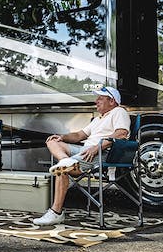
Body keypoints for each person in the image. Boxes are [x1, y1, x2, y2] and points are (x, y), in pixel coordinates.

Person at [33, 86, 130, 226]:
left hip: (102, 153)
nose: (96, 101)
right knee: (53, 141)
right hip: (85, 151)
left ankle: (56, 213)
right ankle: (65, 161)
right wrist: (62, 137)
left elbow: (121, 134)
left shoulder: (119, 112)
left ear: (112, 101)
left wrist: (96, 148)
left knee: (62, 170)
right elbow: (79, 135)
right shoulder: (98, 119)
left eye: (100, 98)